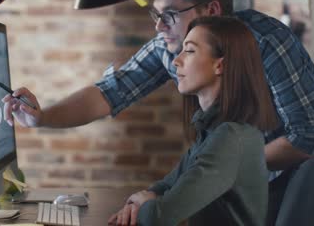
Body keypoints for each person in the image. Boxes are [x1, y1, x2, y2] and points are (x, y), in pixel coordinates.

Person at [3, 0, 314, 224]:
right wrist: (41, 117)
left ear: (211, 11)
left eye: (169, 16)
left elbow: (310, 138)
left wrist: (224, 167)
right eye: (155, 15)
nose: (158, 27)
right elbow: (111, 92)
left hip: (301, 169)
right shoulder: (173, 48)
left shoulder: (266, 44)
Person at [107, 15, 277, 226]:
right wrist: (141, 201)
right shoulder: (212, 130)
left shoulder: (231, 137)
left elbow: (161, 216)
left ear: (220, 66)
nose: (176, 60)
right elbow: (167, 186)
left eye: (189, 51)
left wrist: (145, 202)